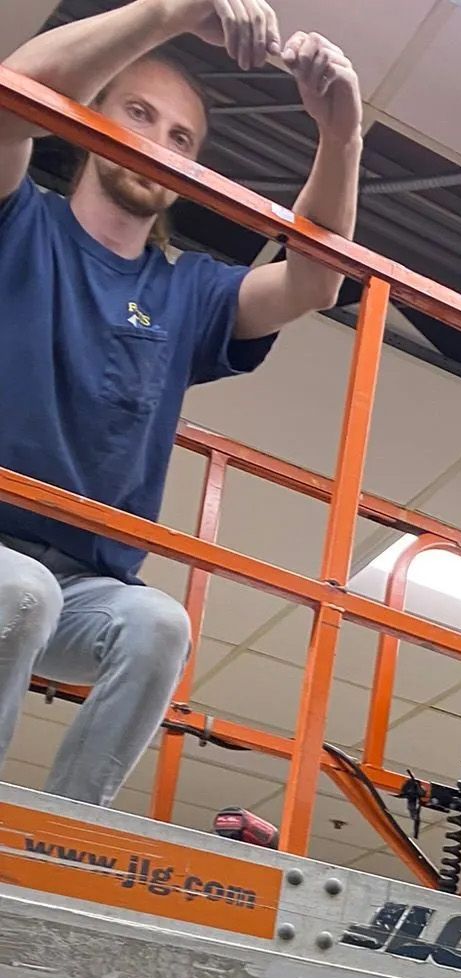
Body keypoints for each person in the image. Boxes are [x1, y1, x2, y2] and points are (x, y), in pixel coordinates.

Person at [0, 0, 361, 807]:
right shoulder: (18, 219)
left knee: (161, 624)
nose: (157, 146)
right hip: (3, 566)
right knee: (18, 592)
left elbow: (313, 281)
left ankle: (63, 834)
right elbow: (11, 96)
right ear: (90, 116)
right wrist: (170, 11)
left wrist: (341, 136)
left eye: (182, 139)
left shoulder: (187, 290)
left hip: (86, 586)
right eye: (138, 115)